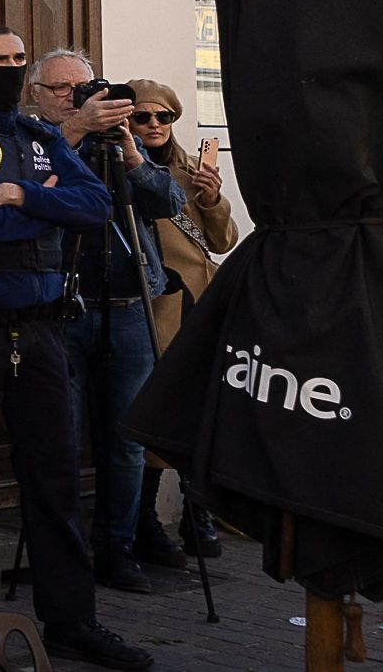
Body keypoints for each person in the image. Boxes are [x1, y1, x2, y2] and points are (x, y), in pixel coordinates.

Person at [0, 24, 152, 672]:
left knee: (56, 483)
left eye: (18, 59)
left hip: (42, 330)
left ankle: (70, 621)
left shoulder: (39, 135)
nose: (9, 68)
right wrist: (47, 204)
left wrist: (18, 193)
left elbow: (95, 203)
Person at [22, 49, 183, 594]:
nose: (76, 97)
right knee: (60, 438)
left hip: (129, 309)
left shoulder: (116, 144)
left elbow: (168, 201)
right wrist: (73, 131)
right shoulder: (29, 139)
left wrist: (131, 147)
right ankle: (62, 551)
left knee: (126, 440)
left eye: (85, 88)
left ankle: (117, 546)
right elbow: (26, 189)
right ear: (35, 94)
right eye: (62, 89)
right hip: (61, 311)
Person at [129, 77, 237, 562]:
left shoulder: (193, 169)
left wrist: (212, 199)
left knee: (202, 405)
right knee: (155, 405)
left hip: (199, 300)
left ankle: (197, 512)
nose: (153, 126)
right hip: (152, 305)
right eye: (142, 117)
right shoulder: (118, 165)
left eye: (163, 117)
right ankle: (144, 516)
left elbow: (223, 241)